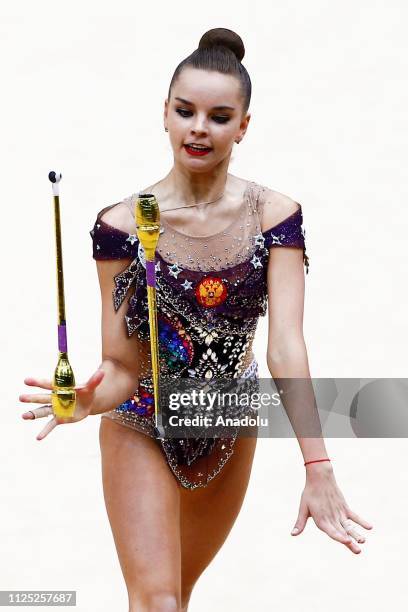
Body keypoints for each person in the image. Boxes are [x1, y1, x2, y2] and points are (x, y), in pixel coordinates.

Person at [19, 27, 373, 612]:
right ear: (165, 114)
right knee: (156, 601)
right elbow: (120, 366)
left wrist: (318, 465)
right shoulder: (121, 225)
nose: (199, 128)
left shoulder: (276, 216)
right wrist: (88, 399)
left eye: (219, 115)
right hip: (141, 419)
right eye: (185, 111)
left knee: (177, 598)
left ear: (243, 125)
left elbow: (286, 348)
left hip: (228, 418)